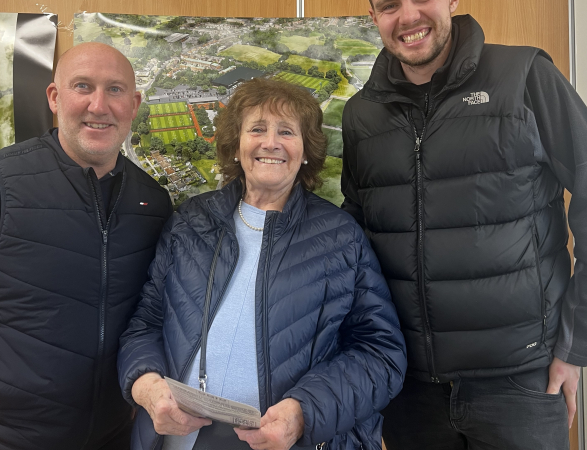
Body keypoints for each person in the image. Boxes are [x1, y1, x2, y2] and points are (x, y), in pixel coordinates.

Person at [340, 0, 587, 450]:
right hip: (408, 389)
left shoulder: (524, 76)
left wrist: (575, 344)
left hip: (520, 382)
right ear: (374, 17)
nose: (408, 16)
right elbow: (355, 236)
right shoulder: (363, 114)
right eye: (389, 4)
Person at [0, 42, 173, 450]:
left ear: (134, 103)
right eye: (82, 86)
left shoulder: (152, 203)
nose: (99, 105)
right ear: (55, 98)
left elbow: (149, 322)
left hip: (110, 438)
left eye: (115, 89)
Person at [118, 78, 407, 450]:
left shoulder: (340, 238)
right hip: (177, 442)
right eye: (257, 129)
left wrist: (304, 413)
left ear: (305, 151)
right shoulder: (190, 223)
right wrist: (146, 387)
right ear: (236, 146)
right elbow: (145, 325)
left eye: (286, 131)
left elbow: (381, 354)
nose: (270, 142)